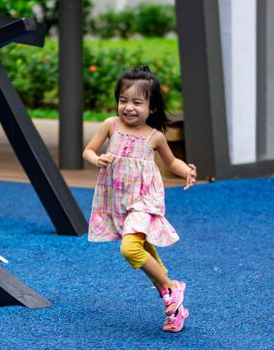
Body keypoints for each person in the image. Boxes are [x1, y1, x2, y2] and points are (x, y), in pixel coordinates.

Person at [83, 66, 198, 333]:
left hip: (144, 199)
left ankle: (172, 287)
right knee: (145, 250)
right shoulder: (111, 125)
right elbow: (87, 150)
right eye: (123, 100)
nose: (128, 107)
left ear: (152, 107)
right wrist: (97, 159)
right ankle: (175, 310)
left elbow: (171, 162)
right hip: (118, 199)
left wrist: (187, 172)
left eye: (137, 102)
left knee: (130, 249)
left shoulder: (154, 136)